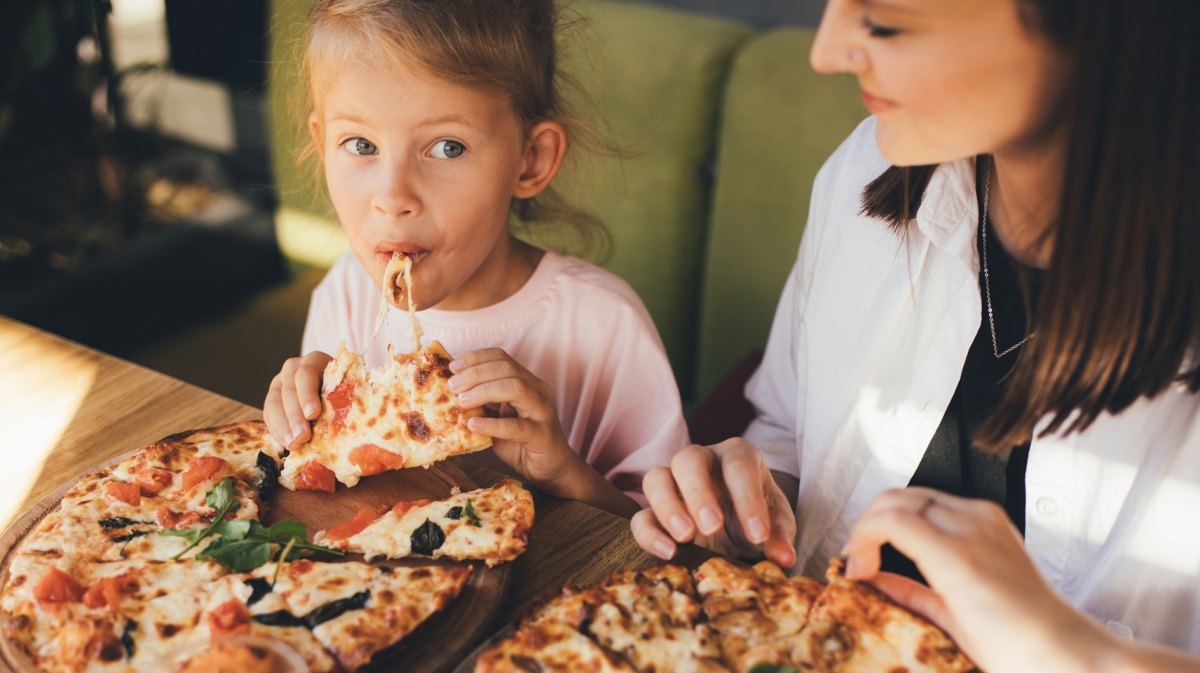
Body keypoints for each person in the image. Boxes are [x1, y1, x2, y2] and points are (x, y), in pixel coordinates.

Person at [631, 0, 1200, 670]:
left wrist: (1077, 652)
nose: (826, 50)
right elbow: (784, 428)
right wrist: (748, 502)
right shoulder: (862, 171)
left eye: (887, 19)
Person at [263, 0, 689, 518]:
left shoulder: (605, 323)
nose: (393, 195)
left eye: (447, 148)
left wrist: (564, 472)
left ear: (530, 160)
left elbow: (665, 544)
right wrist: (304, 426)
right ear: (321, 145)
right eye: (360, 144)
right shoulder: (344, 293)